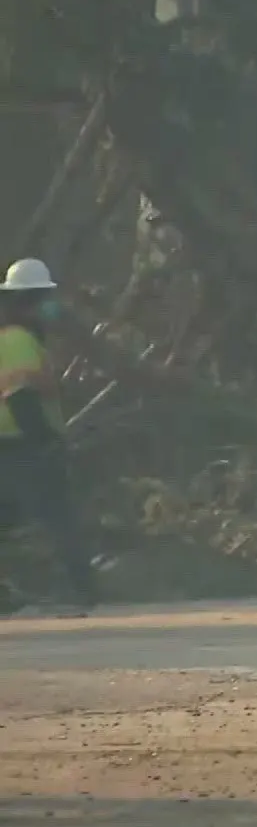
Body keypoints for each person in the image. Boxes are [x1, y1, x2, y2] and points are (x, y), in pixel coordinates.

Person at [0, 258, 99, 612]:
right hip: (22, 446)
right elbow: (20, 395)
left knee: (10, 520)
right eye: (45, 299)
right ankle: (80, 590)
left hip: (16, 446)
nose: (51, 307)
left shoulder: (20, 339)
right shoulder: (17, 340)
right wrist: (44, 441)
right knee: (59, 518)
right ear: (29, 302)